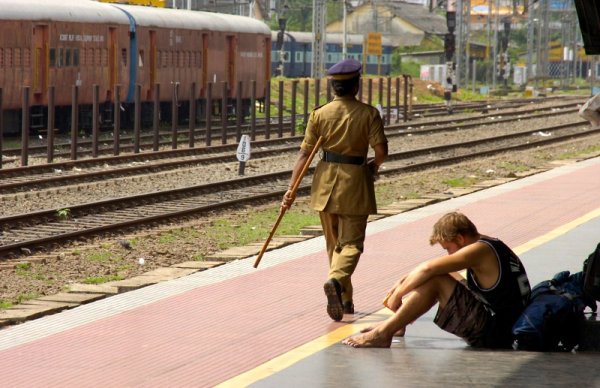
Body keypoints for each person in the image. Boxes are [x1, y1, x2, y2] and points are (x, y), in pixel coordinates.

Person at [281, 58, 388, 322]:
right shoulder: (368, 114)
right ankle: (337, 281)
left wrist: (290, 190)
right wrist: (375, 166)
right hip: (355, 185)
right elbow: (381, 150)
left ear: (333, 87)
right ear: (357, 85)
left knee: (334, 247)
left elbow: (305, 155)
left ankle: (346, 299)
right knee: (351, 244)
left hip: (325, 185)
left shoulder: (319, 114)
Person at [342, 212, 531, 348]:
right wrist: (403, 281)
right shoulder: (490, 244)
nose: (448, 254)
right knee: (438, 274)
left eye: (447, 248)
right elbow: (431, 268)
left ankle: (383, 334)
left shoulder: (479, 251)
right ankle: (395, 326)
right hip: (503, 325)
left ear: (460, 239)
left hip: (496, 335)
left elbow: (429, 268)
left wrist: (398, 294)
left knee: (435, 280)